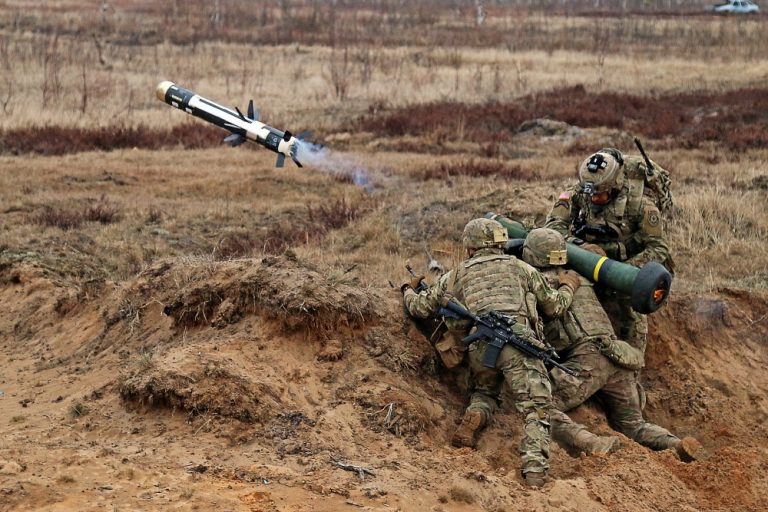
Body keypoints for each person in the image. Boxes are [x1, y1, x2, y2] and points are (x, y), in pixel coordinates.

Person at [401, 218, 579, 487]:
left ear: (470, 246)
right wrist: (569, 286)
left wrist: (407, 289)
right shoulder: (521, 268)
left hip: (480, 348)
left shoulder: (456, 274)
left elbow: (419, 308)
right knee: (537, 407)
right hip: (517, 344)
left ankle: (475, 416)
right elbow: (554, 307)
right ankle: (535, 471)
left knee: (485, 391)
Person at [521, 228, 700, 461]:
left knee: (536, 405)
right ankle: (675, 444)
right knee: (633, 425)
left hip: (587, 361)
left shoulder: (537, 286)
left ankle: (592, 443)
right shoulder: (583, 278)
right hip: (618, 356)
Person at [545, 148, 673, 355]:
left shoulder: (640, 205)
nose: (594, 198)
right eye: (591, 194)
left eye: (600, 194)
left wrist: (622, 272)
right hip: (587, 256)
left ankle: (633, 356)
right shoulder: (580, 192)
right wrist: (579, 246)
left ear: (614, 186)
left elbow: (658, 247)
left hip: (625, 261)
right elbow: (553, 227)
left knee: (629, 305)